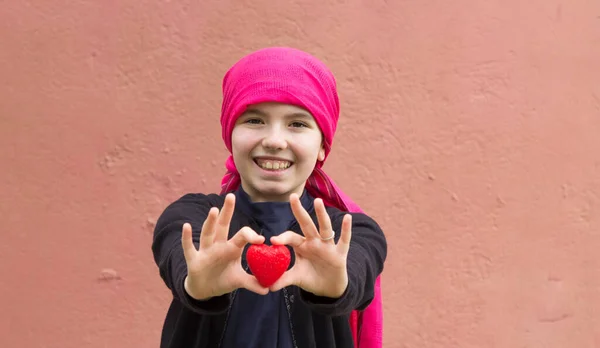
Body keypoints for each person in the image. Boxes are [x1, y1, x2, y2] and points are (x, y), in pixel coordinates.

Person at [152, 47, 387, 348]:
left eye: (297, 124)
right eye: (254, 120)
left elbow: (359, 265)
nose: (274, 140)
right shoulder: (193, 216)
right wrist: (197, 284)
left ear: (322, 146)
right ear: (230, 134)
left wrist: (337, 284)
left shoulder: (351, 232)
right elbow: (178, 248)